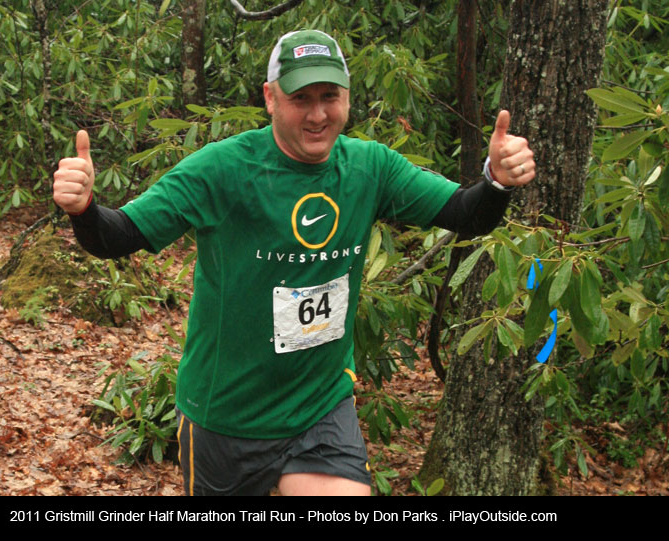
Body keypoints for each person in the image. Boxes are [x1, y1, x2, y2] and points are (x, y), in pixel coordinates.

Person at [53, 30, 535, 496]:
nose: (318, 114)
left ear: (347, 97)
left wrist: (497, 181)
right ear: (270, 98)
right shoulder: (222, 169)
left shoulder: (370, 167)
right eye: (300, 98)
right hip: (226, 416)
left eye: (330, 96)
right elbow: (120, 235)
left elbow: (464, 214)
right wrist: (84, 208)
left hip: (319, 408)